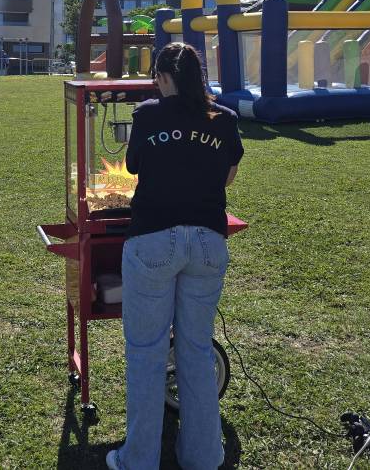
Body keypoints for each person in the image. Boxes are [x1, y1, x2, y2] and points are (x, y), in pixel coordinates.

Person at [107, 42, 243, 470]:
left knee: (146, 351)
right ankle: (203, 456)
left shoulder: (148, 114)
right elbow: (229, 175)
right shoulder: (225, 119)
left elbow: (133, 167)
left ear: (164, 78)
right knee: (196, 349)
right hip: (207, 242)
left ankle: (139, 460)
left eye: (156, 78)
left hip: (152, 240)